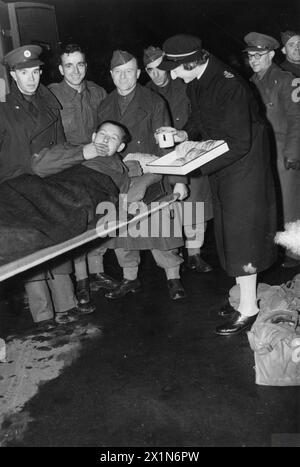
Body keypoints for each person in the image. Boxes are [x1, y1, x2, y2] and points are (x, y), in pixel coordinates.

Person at [158, 34, 277, 335]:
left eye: (176, 68)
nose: (172, 74)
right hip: (226, 165)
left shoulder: (229, 84)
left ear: (193, 61)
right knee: (228, 235)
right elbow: (201, 117)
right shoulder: (199, 78)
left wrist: (193, 166)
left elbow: (239, 143)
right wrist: (185, 135)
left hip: (245, 168)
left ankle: (249, 309)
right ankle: (242, 298)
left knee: (242, 238)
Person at [0, 45, 100, 325]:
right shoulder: (4, 106)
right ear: (13, 75)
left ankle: (66, 303)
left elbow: (59, 144)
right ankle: (43, 313)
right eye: (24, 73)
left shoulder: (49, 101)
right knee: (31, 243)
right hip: (14, 182)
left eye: (35, 72)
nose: (31, 79)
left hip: (47, 178)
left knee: (58, 235)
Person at [96, 50, 188, 300]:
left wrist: (178, 180)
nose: (123, 77)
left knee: (161, 230)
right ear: (111, 75)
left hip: (153, 173)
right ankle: (129, 278)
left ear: (138, 74)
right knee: (122, 231)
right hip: (119, 176)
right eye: (118, 72)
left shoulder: (154, 102)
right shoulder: (105, 104)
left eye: (129, 71)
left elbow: (167, 145)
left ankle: (173, 277)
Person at [143, 46, 213, 273]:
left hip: (189, 146)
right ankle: (173, 255)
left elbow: (200, 114)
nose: (156, 74)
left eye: (159, 68)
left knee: (194, 204)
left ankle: (195, 253)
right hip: (164, 154)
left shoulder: (185, 83)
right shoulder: (146, 92)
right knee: (170, 206)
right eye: (150, 70)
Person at [48, 43, 107, 310]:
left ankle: (98, 272)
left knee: (99, 219)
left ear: (86, 65)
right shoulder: (51, 95)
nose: (75, 70)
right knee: (78, 223)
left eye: (80, 64)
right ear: (61, 69)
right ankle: (82, 281)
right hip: (69, 168)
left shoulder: (98, 92)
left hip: (97, 167)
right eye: (69, 65)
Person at [244, 32, 300, 268]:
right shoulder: (251, 82)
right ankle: (273, 250)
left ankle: (295, 252)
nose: (254, 60)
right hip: (261, 153)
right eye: (250, 56)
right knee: (268, 202)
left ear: (271, 54)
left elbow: (297, 119)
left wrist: (293, 153)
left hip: (282, 152)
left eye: (259, 55)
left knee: (290, 203)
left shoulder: (286, 80)